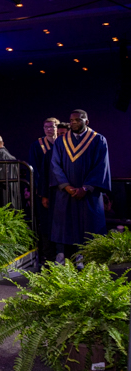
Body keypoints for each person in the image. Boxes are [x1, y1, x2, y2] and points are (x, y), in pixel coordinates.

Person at [49, 110, 111, 262]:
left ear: (86, 122)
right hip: (67, 193)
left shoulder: (98, 140)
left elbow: (101, 167)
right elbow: (55, 165)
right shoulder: (61, 141)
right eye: (71, 120)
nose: (74, 123)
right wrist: (66, 186)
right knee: (66, 226)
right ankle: (65, 259)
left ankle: (87, 259)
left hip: (89, 193)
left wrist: (86, 188)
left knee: (89, 226)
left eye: (77, 120)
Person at [28, 118, 59, 262]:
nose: (49, 129)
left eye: (52, 127)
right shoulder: (37, 145)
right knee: (45, 222)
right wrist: (39, 190)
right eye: (46, 127)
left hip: (61, 188)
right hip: (44, 189)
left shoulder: (63, 144)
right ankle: (48, 255)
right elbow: (34, 168)